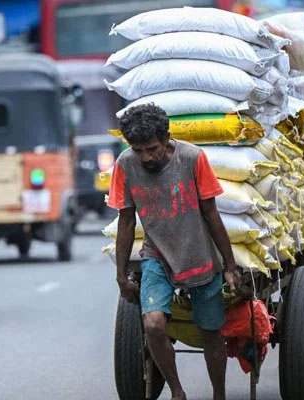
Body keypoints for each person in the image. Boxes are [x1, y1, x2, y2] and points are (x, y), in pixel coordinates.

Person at [108, 104, 240, 400]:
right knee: (153, 324)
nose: (147, 157)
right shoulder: (125, 164)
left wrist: (229, 265)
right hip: (156, 255)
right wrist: (120, 276)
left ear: (166, 138)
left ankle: (219, 394)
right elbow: (126, 221)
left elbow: (212, 214)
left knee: (210, 333)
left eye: (152, 149)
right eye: (139, 150)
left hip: (199, 257)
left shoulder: (193, 158)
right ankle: (177, 392)